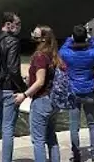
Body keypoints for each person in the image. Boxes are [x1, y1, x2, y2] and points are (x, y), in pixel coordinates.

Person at [59, 25, 94, 162]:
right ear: (85, 37)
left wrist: (69, 39)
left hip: (73, 92)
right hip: (89, 92)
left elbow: (62, 50)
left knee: (74, 126)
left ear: (73, 38)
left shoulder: (68, 54)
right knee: (92, 125)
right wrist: (91, 40)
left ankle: (76, 155)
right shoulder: (92, 54)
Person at [0, 12, 27, 162]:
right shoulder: (13, 41)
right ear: (9, 24)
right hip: (9, 88)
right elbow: (13, 69)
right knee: (8, 129)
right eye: (18, 24)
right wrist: (23, 88)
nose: (19, 27)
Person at [21, 25, 62, 162]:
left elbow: (40, 81)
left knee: (38, 140)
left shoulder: (40, 56)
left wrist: (24, 95)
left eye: (36, 33)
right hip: (53, 100)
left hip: (41, 100)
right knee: (51, 138)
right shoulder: (54, 54)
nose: (33, 35)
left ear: (43, 38)